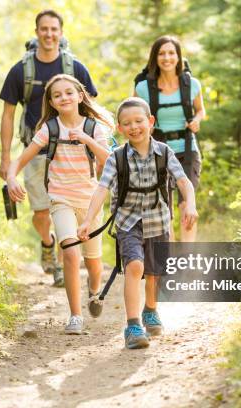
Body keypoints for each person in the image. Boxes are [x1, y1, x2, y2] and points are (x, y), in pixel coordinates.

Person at [77, 97, 198, 349]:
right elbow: (101, 189)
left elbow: (184, 181)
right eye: (127, 123)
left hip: (158, 220)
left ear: (151, 121)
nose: (134, 127)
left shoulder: (164, 152)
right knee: (134, 266)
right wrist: (88, 220)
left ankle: (150, 309)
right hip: (128, 222)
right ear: (120, 128)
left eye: (139, 121)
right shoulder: (116, 158)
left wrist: (191, 205)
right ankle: (132, 326)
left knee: (154, 274)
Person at [0, 9, 98, 286]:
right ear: (36, 32)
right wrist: (6, 159)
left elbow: (90, 108)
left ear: (61, 33)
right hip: (36, 149)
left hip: (72, 151)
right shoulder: (21, 70)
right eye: (44, 29)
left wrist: (98, 145)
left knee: (68, 208)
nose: (49, 34)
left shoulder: (75, 68)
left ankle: (61, 264)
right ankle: (47, 242)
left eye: (54, 29)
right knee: (41, 212)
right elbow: (7, 115)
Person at [7, 74, 111, 335]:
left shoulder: (93, 128)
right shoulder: (49, 129)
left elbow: (110, 161)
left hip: (89, 202)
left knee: (94, 262)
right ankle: (75, 315)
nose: (63, 97)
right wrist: (11, 177)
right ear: (51, 102)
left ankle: (94, 291)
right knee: (70, 254)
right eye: (57, 95)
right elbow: (21, 159)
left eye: (68, 93)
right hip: (60, 198)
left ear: (79, 96)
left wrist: (86, 140)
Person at [134, 35, 205, 242]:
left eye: (171, 53)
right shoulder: (143, 89)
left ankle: (187, 263)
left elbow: (201, 110)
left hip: (187, 150)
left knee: (187, 205)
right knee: (164, 209)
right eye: (162, 53)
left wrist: (196, 120)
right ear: (155, 58)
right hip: (157, 152)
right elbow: (135, 117)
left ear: (178, 56)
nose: (167, 58)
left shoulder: (191, 84)